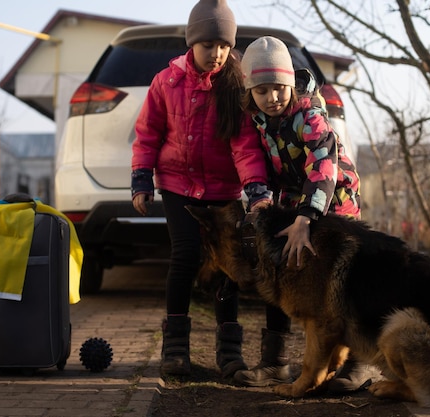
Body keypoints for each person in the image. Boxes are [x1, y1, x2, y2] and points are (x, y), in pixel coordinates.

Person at [130, 0, 270, 378]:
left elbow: (244, 145)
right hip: (178, 186)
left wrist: (255, 188)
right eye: (209, 45)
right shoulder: (166, 82)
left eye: (224, 46)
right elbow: (147, 134)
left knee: (229, 265)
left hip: (223, 190)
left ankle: (229, 351)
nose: (217, 54)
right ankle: (175, 347)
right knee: (186, 256)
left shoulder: (236, 85)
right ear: (192, 42)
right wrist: (142, 178)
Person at [233, 36, 381, 391]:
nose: (272, 98)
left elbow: (322, 166)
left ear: (290, 83)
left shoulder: (308, 116)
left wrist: (305, 220)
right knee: (279, 268)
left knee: (345, 278)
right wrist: (261, 203)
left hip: (334, 196)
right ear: (250, 92)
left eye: (279, 88)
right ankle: (275, 362)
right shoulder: (258, 120)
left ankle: (357, 365)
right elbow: (261, 169)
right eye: (262, 90)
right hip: (292, 200)